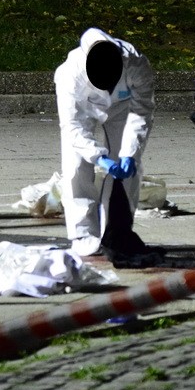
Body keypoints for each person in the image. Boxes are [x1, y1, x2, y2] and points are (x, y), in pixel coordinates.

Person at [54, 27, 155, 258]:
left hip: (123, 109)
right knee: (76, 167)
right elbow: (72, 126)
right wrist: (99, 157)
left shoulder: (137, 64)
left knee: (130, 168)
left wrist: (130, 152)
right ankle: (82, 233)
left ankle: (118, 229)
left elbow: (142, 111)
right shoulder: (69, 75)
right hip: (84, 111)